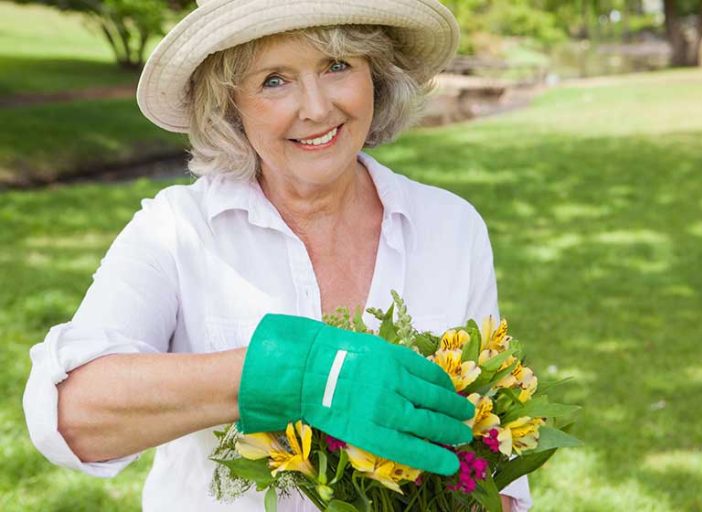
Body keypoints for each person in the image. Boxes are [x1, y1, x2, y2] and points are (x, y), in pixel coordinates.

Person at [22, 0, 533, 510]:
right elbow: (72, 418)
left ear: (375, 75)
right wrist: (293, 373)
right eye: (274, 80)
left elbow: (492, 456)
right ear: (230, 105)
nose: (315, 107)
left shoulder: (451, 226)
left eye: (337, 66)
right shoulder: (178, 230)